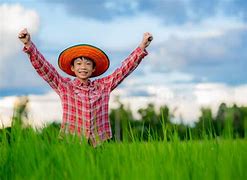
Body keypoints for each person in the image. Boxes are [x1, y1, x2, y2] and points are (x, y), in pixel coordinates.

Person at [18, 28, 153, 147]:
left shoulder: (102, 86)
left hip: (98, 144)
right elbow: (45, 69)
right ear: (72, 68)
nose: (83, 67)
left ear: (93, 69)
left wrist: (141, 47)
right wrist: (29, 45)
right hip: (71, 143)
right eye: (79, 63)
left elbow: (123, 70)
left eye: (88, 64)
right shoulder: (65, 86)